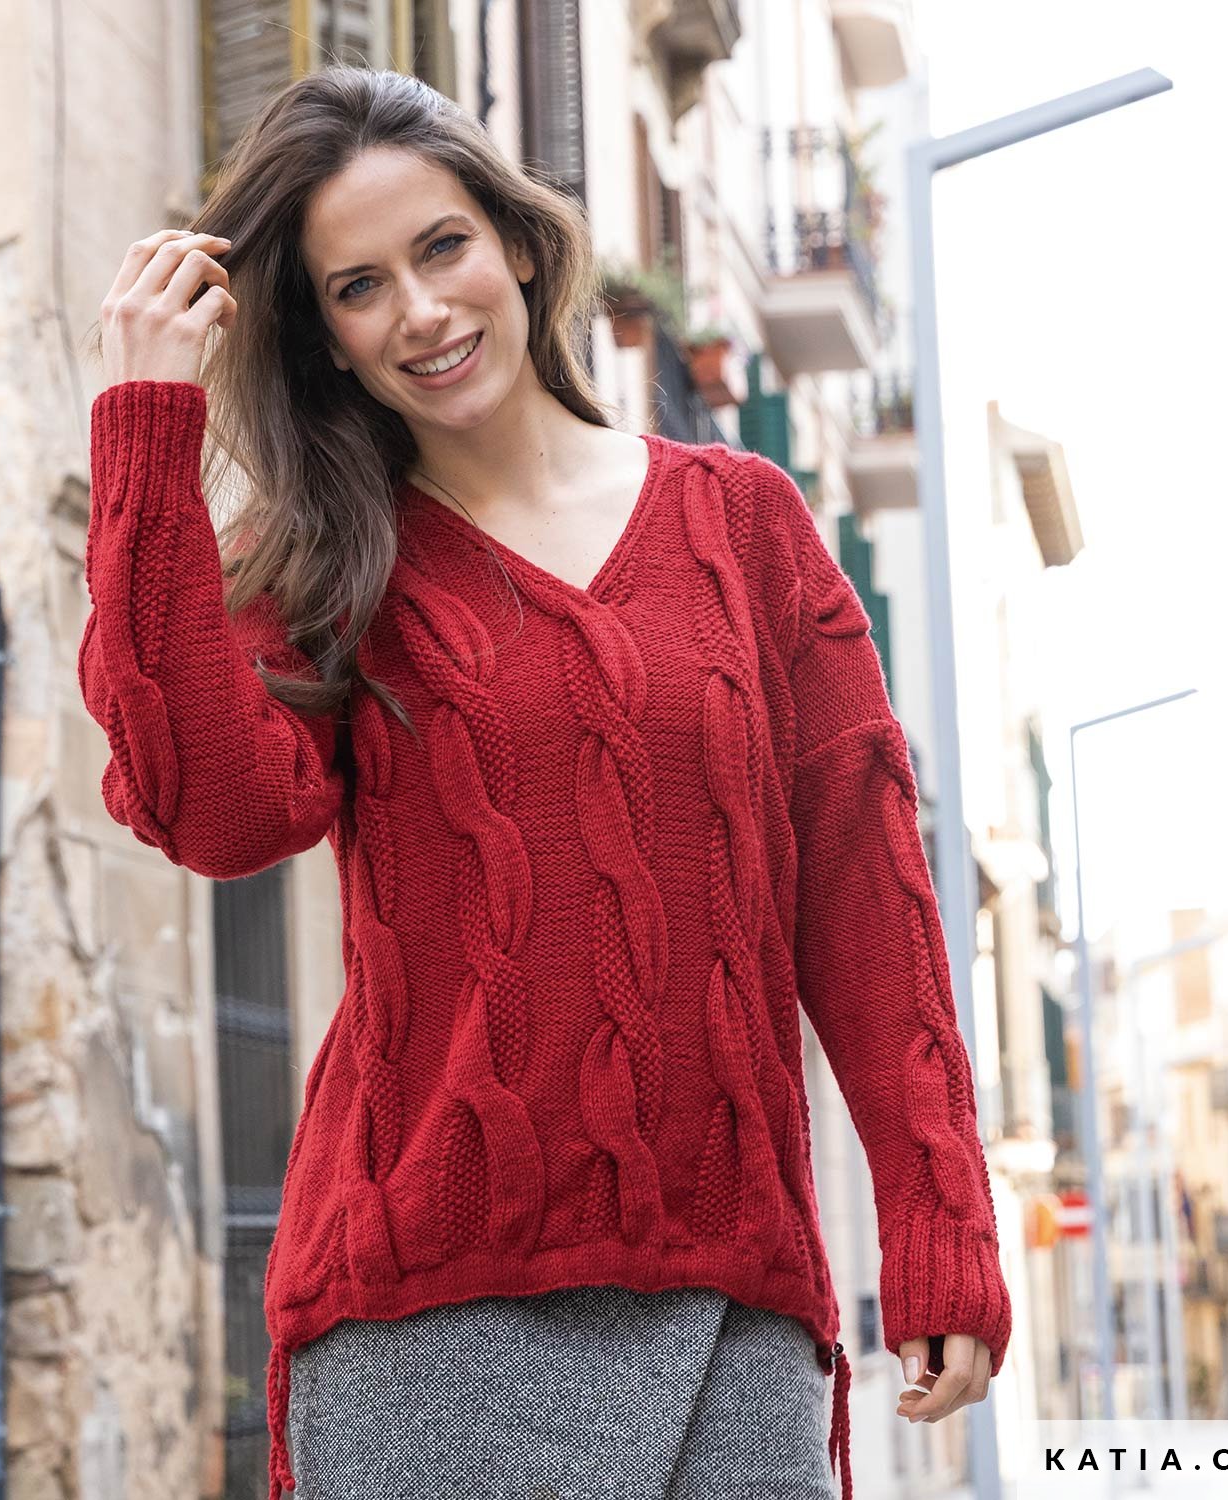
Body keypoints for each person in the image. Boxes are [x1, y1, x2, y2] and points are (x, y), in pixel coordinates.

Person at [79, 65, 1011, 1500]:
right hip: (427, 1321)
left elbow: (861, 886)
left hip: (741, 1300)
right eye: (360, 288)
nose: (421, 311)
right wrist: (146, 432)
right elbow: (218, 815)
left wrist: (938, 1215)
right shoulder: (327, 562)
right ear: (327, 338)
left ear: (518, 242)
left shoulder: (745, 524)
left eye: (442, 247)